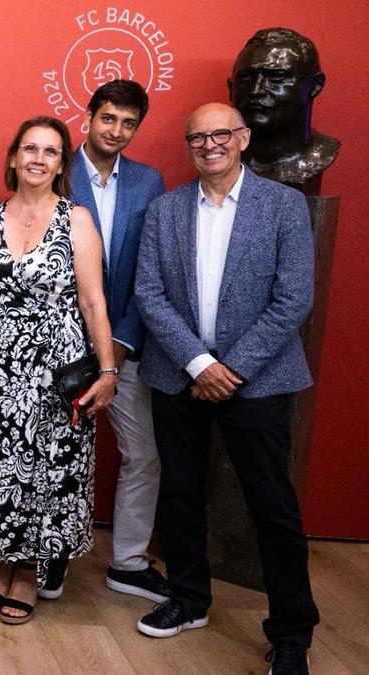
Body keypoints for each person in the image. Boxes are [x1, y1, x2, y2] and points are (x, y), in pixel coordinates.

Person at [134, 102, 318, 675]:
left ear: (241, 138)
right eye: (197, 137)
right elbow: (149, 293)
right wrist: (196, 362)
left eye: (220, 134)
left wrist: (231, 368)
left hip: (257, 381)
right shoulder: (165, 210)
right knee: (183, 494)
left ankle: (291, 633)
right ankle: (188, 599)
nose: (209, 144)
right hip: (179, 376)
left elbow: (294, 298)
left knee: (273, 507)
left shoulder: (284, 206)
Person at [0, 116, 117, 625]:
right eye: (30, 149)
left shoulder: (78, 220)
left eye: (50, 151)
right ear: (13, 157)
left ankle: (29, 572)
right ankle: (2, 563)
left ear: (62, 164)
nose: (38, 159)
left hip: (56, 371)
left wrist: (107, 372)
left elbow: (93, 303)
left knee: (47, 471)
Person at [47, 80, 169, 603]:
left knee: (144, 454)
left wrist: (118, 343)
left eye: (128, 123)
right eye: (108, 119)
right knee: (53, 455)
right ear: (89, 117)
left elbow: (154, 268)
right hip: (56, 345)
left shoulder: (149, 182)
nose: (116, 131)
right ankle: (46, 556)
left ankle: (128, 562)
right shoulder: (54, 166)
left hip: (124, 343)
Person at [229, 27, 340, 194]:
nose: (256, 90)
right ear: (230, 88)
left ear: (315, 86)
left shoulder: (321, 154)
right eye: (245, 79)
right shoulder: (217, 158)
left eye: (276, 77)